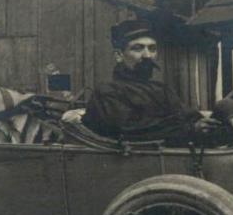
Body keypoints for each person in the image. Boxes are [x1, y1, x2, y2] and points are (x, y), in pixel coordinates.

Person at [68, 19, 217, 143]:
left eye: (152, 49)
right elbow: (131, 129)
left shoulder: (161, 89)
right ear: (119, 55)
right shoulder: (108, 91)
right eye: (138, 48)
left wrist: (204, 122)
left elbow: (188, 115)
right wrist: (189, 128)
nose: (147, 56)